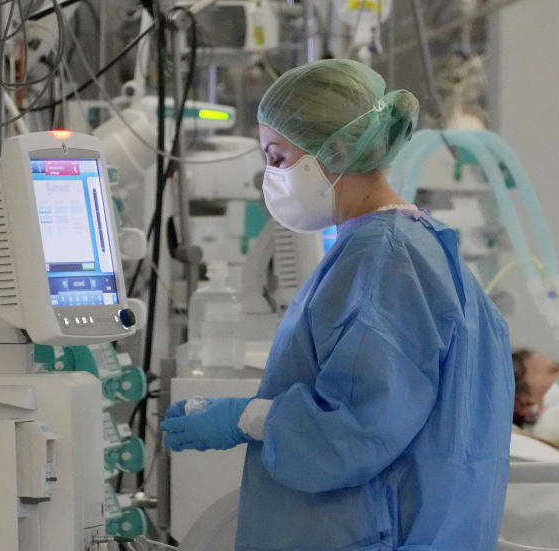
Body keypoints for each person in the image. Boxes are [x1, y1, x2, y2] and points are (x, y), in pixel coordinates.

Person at [161, 59, 514, 550]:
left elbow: (355, 430)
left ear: (340, 149)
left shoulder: (383, 258)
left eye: (278, 157)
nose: (271, 176)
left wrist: (248, 417)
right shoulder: (410, 244)